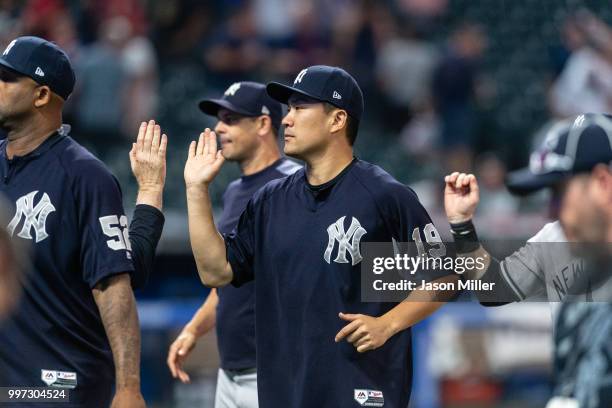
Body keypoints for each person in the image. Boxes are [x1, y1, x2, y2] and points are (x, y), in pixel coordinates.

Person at [184, 65, 455, 407]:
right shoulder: (270, 200)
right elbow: (216, 272)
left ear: (337, 120)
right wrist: (196, 191)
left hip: (361, 388)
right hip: (285, 391)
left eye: (300, 108)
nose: (286, 120)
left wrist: (388, 324)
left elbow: (445, 275)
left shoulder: (384, 196)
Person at [0, 36, 165, 408]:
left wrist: (128, 388)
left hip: (60, 384)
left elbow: (114, 286)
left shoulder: (84, 176)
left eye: (7, 78)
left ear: (41, 95)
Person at [443, 113, 612, 408]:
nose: (553, 211)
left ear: (602, 182)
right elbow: (493, 289)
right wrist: (462, 226)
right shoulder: (557, 236)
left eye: (561, 193)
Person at [167, 81, 300, 407]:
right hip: (231, 371)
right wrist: (194, 330)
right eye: (219, 118)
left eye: (231, 119)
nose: (218, 128)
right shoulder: (235, 190)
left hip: (277, 370)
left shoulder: (293, 185)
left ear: (263, 124)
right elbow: (229, 278)